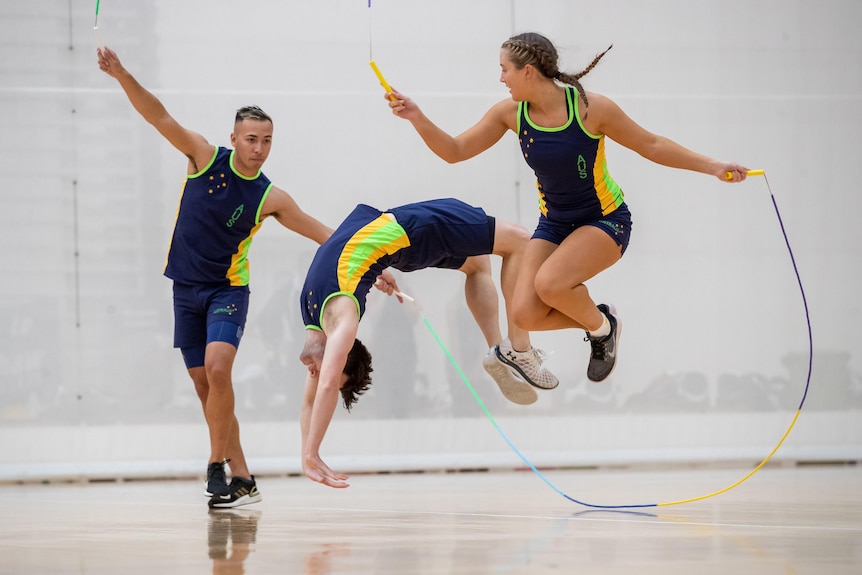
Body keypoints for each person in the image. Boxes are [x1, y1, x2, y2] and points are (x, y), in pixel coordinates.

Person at [383, 32, 750, 383]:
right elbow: (454, 151)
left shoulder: (591, 109)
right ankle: (604, 326)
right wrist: (416, 116)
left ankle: (600, 328)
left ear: (528, 71)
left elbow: (651, 144)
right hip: (555, 225)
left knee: (549, 283)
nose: (500, 78)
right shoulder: (510, 114)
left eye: (504, 69)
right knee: (525, 313)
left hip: (605, 221)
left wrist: (714, 166)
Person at [97, 46, 332, 508]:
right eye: (251, 139)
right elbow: (157, 116)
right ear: (234, 138)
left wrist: (373, 264)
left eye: (266, 140)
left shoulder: (270, 197)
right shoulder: (203, 157)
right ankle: (242, 477)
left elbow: (324, 233)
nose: (259, 149)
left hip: (228, 290)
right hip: (185, 291)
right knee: (208, 389)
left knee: (220, 369)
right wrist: (123, 74)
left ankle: (214, 465)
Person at [298, 198, 558, 488]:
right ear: (342, 351)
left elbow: (314, 397)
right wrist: (310, 454)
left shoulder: (313, 316)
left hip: (399, 241)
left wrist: (375, 268)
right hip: (412, 231)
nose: (314, 374)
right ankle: (516, 350)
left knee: (478, 264)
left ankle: (497, 350)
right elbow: (324, 388)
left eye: (320, 371)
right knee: (521, 241)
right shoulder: (343, 320)